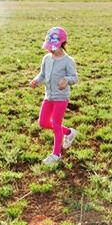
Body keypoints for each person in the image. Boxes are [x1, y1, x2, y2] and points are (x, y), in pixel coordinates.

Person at [30, 26, 79, 165]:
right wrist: (36, 81)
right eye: (49, 47)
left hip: (61, 98)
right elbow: (43, 75)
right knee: (43, 122)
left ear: (62, 44)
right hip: (49, 96)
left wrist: (66, 80)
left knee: (56, 124)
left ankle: (56, 154)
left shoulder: (68, 61)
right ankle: (69, 132)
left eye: (53, 47)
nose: (50, 50)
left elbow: (74, 78)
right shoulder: (46, 58)